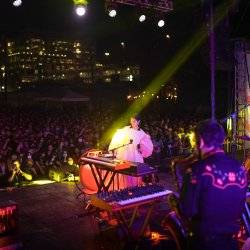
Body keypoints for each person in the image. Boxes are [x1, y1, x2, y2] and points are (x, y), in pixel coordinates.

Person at [179, 119, 247, 250]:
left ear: (201, 141)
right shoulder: (239, 168)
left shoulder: (196, 170)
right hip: (230, 243)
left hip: (203, 244)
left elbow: (187, 210)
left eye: (195, 142)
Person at [108, 115, 153, 188]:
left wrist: (141, 150)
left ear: (138, 122)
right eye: (131, 121)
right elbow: (117, 139)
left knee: (134, 171)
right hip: (125, 153)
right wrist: (114, 148)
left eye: (134, 121)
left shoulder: (142, 133)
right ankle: (123, 187)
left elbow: (147, 145)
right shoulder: (126, 129)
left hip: (135, 155)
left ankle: (135, 187)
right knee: (124, 170)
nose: (132, 123)